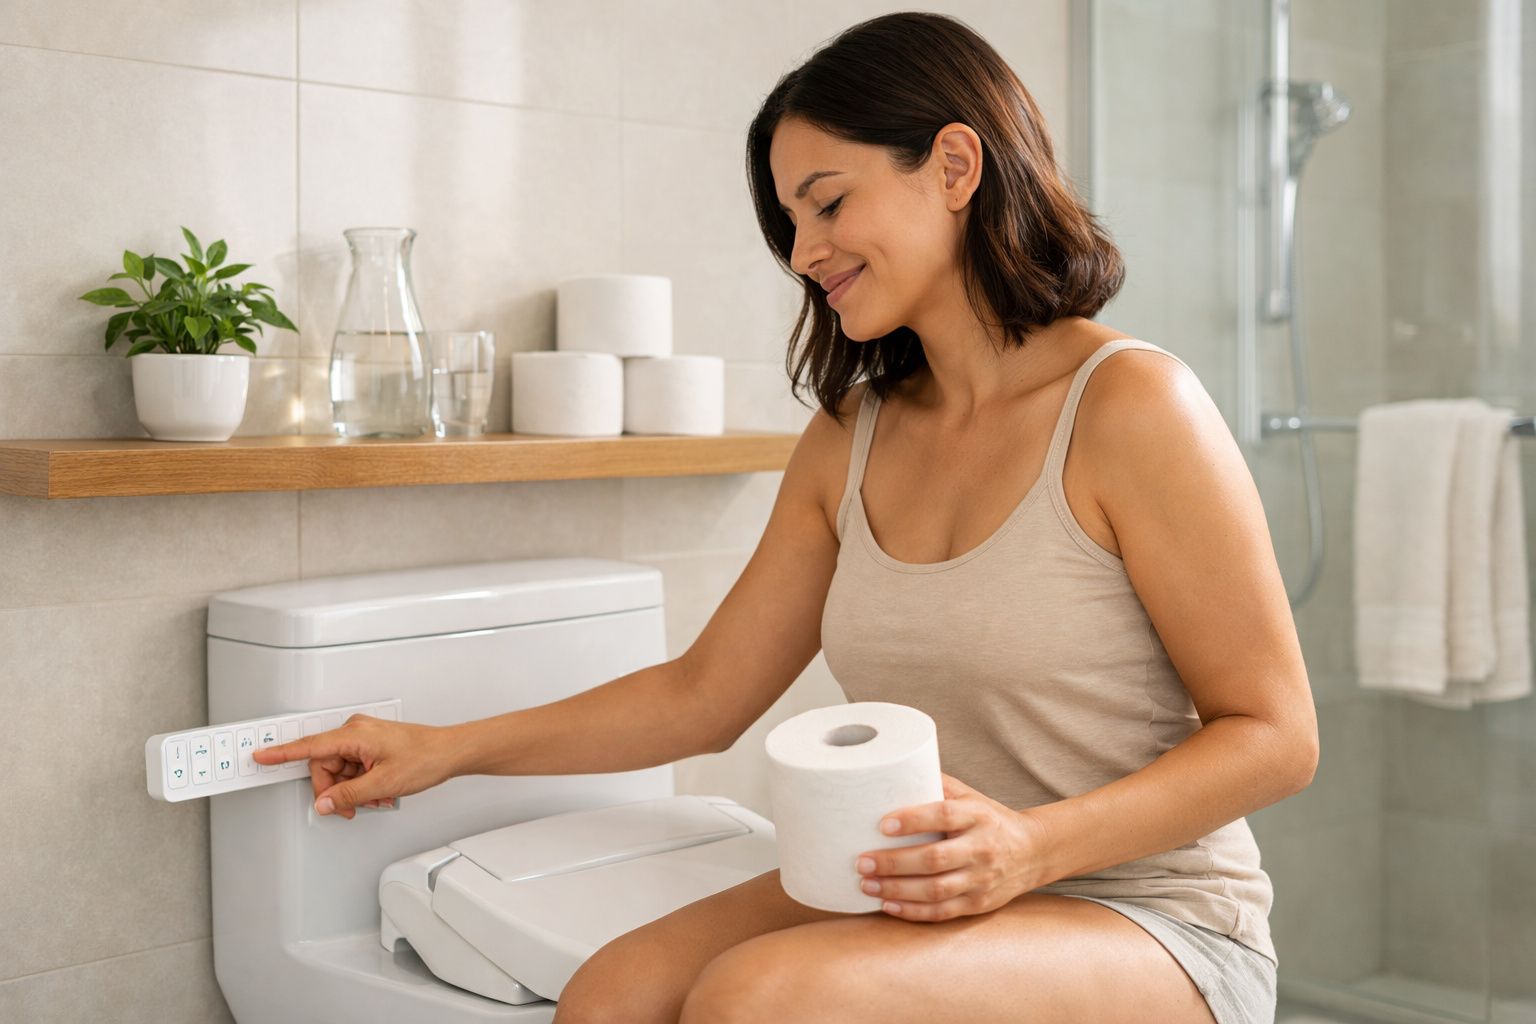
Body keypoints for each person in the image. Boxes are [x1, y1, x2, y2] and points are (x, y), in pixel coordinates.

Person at [254, 12, 1317, 1024]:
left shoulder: (1132, 405)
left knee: (760, 999)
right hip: (925, 885)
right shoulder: (849, 436)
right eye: (792, 220)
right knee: (611, 996)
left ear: (954, 167)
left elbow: (1276, 737)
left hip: (1147, 915)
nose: (805, 252)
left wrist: (1029, 849)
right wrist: (440, 748)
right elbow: (702, 694)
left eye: (828, 202)